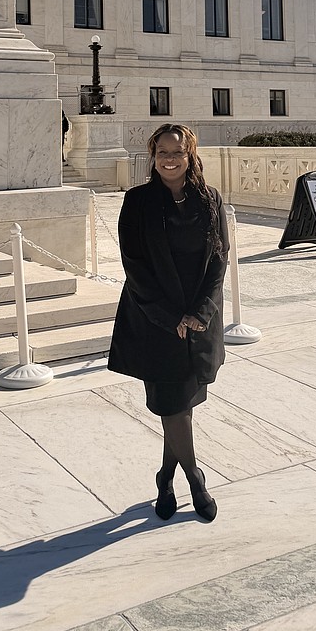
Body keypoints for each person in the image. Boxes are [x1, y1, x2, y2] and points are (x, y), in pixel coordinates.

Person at [108, 123, 229, 522]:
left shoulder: (208, 198)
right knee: (174, 406)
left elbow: (218, 258)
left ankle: (165, 477)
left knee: (182, 406)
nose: (169, 159)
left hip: (197, 323)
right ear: (152, 156)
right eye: (162, 152)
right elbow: (135, 267)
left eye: (177, 152)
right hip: (155, 321)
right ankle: (195, 478)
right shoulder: (137, 201)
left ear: (190, 154)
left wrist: (200, 313)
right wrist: (169, 316)